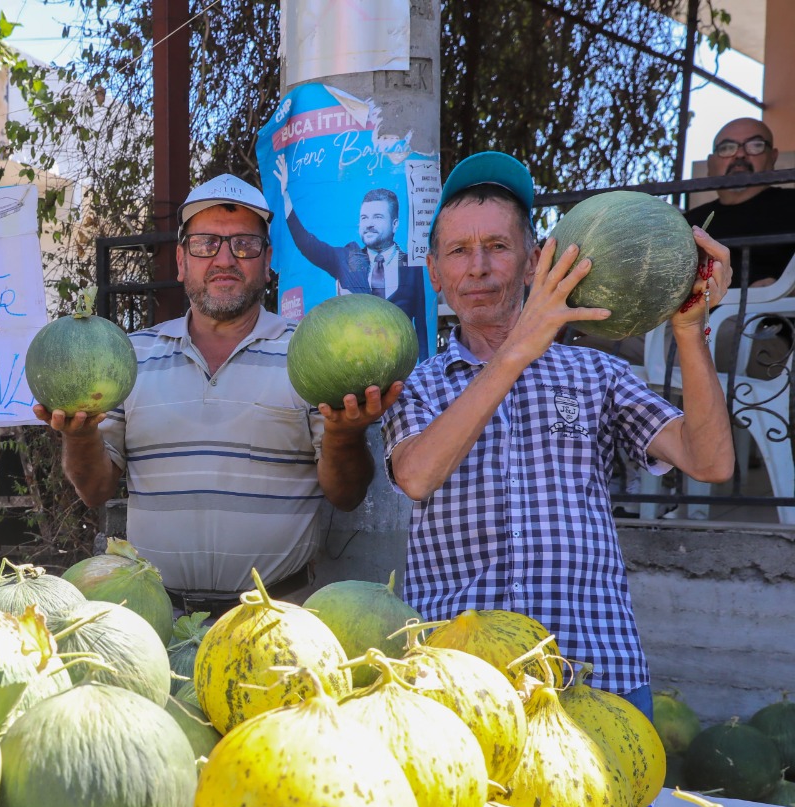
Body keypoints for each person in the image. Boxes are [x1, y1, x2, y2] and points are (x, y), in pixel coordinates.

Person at [384, 151, 735, 713]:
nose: (478, 267)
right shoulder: (419, 386)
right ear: (434, 272)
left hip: (595, 672)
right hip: (457, 682)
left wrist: (690, 331)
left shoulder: (597, 373)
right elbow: (418, 475)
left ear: (532, 262)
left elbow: (710, 461)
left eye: (498, 247)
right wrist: (518, 351)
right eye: (459, 251)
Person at [34, 173, 395, 616]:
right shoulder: (127, 357)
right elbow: (95, 490)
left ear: (267, 262)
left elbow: (347, 494)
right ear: (182, 262)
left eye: (244, 245)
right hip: (155, 619)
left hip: (277, 620)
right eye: (206, 244)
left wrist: (344, 435)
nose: (225, 259)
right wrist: (78, 436)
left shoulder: (308, 356)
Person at [273, 156, 433, 361]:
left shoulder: (412, 266)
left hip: (402, 376)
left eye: (377, 217)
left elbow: (421, 325)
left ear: (395, 224)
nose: (369, 224)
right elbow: (307, 244)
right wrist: (286, 197)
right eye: (364, 218)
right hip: (353, 370)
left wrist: (423, 370)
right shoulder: (346, 258)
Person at [683, 117, 795, 288]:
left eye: (755, 145)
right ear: (710, 164)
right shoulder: (687, 223)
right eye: (727, 148)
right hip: (700, 314)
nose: (740, 154)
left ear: (773, 158)